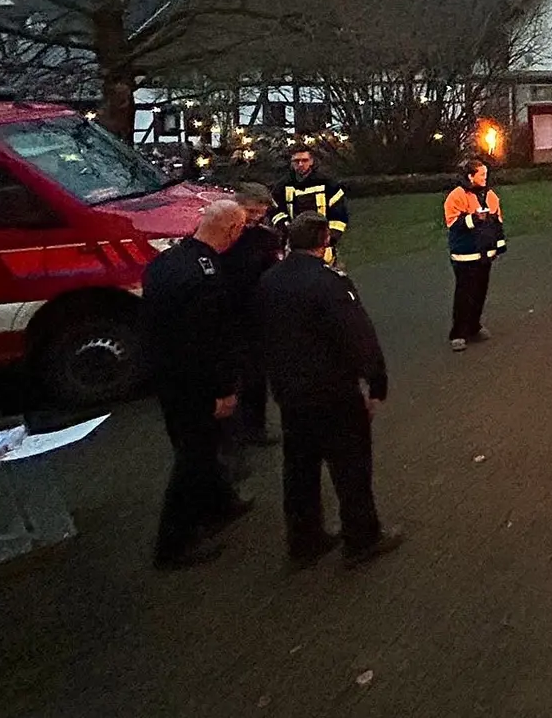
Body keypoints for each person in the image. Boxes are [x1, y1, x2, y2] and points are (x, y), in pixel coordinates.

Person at [257, 212, 401, 568]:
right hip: (332, 391)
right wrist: (376, 383)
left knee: (300, 468)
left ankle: (304, 539)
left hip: (290, 392)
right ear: (324, 241)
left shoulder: (268, 281)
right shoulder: (331, 283)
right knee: (350, 465)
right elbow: (358, 335)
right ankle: (362, 536)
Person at [143, 199, 251, 571]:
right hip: (195, 383)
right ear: (232, 230)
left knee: (199, 447)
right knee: (195, 455)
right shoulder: (206, 276)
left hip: (166, 375)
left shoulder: (167, 262)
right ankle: (173, 543)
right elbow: (208, 339)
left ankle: (221, 503)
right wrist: (221, 390)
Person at [219, 184, 283, 480]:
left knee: (258, 375)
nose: (257, 217)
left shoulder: (264, 238)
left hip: (258, 316)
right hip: (230, 317)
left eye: (262, 212)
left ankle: (255, 427)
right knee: (235, 381)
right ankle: (232, 446)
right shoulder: (226, 238)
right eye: (253, 211)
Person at [444, 159, 504, 352]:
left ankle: (474, 325)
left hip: (485, 254)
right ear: (470, 176)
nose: (485, 178)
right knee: (464, 294)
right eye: (481, 174)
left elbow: (497, 223)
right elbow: (454, 225)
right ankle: (458, 333)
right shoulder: (457, 196)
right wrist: (474, 219)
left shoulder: (491, 196)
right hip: (465, 255)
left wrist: (499, 246)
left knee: (480, 292)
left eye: (486, 174)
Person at [271, 146, 349, 263]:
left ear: (311, 161)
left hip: (323, 244)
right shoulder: (282, 187)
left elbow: (339, 215)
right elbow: (274, 210)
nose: (301, 164)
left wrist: (330, 239)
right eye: (296, 161)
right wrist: (286, 228)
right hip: (293, 243)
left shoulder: (328, 185)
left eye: (304, 160)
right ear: (291, 163)